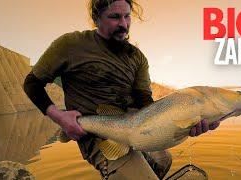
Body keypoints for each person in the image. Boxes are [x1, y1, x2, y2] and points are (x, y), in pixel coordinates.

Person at [23, 0, 221, 179]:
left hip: (133, 127)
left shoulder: (137, 57)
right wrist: (59, 116)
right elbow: (32, 83)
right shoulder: (70, 44)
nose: (124, 24)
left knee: (163, 160)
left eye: (127, 16)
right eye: (115, 17)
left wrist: (187, 126)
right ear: (96, 18)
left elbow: (144, 102)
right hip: (94, 134)